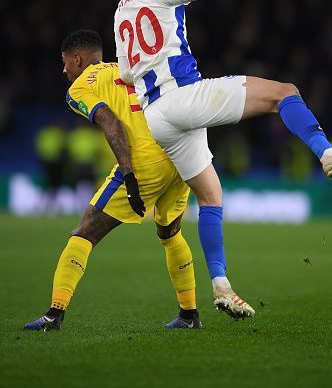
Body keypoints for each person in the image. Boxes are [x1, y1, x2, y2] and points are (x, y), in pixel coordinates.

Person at [114, 0, 332, 318]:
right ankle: (328, 154)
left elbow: (124, 72)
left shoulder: (122, 7)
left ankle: (221, 287)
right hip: (182, 96)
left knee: (210, 198)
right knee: (283, 92)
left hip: (157, 116)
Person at [24, 29, 201, 331]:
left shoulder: (80, 87)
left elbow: (111, 122)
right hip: (180, 150)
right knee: (170, 232)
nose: (64, 69)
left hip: (145, 160)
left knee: (84, 231)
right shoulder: (132, 66)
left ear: (77, 59)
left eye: (65, 62)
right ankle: (189, 315)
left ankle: (55, 314)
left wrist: (129, 176)